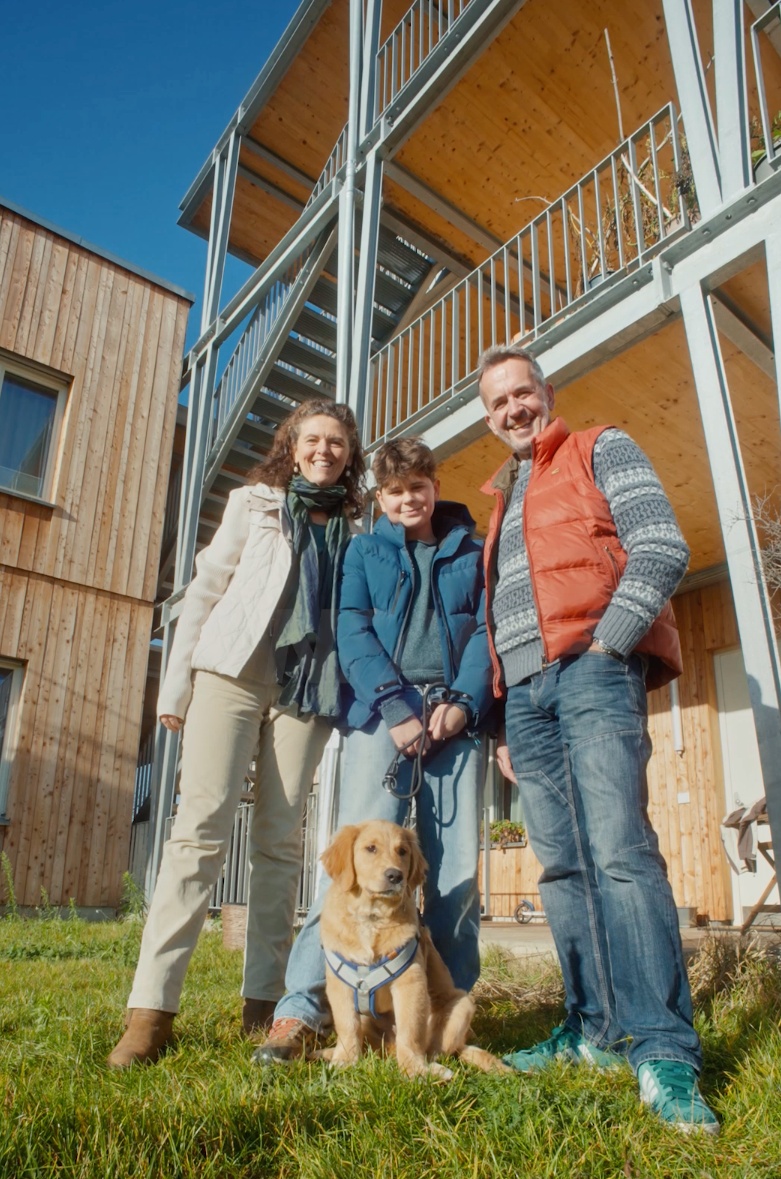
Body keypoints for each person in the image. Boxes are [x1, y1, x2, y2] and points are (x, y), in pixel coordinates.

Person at [477, 342, 718, 1134]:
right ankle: (592, 1028)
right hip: (527, 698)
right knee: (563, 866)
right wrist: (504, 710)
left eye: (522, 392)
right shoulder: (501, 500)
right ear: (488, 419)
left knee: (618, 852)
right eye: (497, 402)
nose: (512, 408)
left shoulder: (598, 447)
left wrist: (608, 643)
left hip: (589, 670)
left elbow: (660, 544)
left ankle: (663, 1048)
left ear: (545, 394)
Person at [107, 399, 365, 1068]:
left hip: (305, 688)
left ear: (349, 452)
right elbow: (207, 586)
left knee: (281, 845)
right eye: (312, 439)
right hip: (229, 673)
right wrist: (176, 683)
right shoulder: (255, 503)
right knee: (199, 832)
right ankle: (151, 1011)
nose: (323, 450)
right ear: (292, 444)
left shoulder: (356, 525)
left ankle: (264, 1004)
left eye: (336, 442)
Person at [254, 437, 494, 1064]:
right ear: (380, 499)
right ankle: (300, 1013)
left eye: (418, 485)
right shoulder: (364, 552)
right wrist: (396, 707)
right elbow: (352, 631)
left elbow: (485, 635)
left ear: (434, 486)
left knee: (459, 872)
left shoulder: (472, 549)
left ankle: (444, 1012)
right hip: (379, 719)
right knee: (346, 865)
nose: (408, 498)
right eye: (394, 490)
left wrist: (463, 705)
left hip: (454, 723)